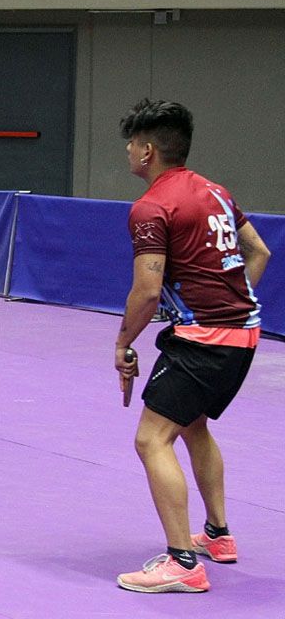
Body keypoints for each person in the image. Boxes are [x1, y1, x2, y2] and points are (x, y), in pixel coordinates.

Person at [113, 99, 271, 593]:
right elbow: (258, 251)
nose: (128, 151)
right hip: (243, 335)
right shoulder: (216, 191)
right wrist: (231, 303)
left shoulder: (152, 207)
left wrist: (123, 342)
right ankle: (218, 535)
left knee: (151, 439)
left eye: (132, 144)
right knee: (193, 426)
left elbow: (147, 290)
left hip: (204, 341)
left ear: (146, 150)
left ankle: (182, 562)